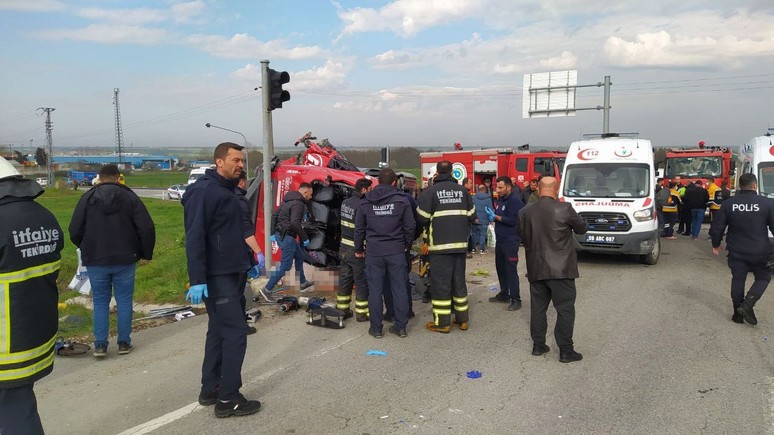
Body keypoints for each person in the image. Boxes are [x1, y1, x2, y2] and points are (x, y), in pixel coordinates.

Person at [183, 142, 261, 417]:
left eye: (242, 160)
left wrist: (249, 261)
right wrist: (197, 279)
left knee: (218, 331)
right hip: (218, 277)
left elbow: (232, 232)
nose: (241, 165)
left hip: (233, 272)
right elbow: (195, 237)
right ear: (219, 161)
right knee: (236, 333)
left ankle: (211, 389)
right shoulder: (204, 192)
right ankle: (228, 398)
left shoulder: (227, 191)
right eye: (236, 160)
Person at [0, 158, 63, 435]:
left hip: (5, 347)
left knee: (12, 416)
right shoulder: (43, 215)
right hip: (34, 338)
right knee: (21, 408)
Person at [69, 164, 155, 358]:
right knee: (124, 301)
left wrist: (85, 246)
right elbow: (146, 227)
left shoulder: (87, 198)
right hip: (125, 258)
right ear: (118, 177)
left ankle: (100, 345)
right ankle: (124, 343)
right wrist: (145, 253)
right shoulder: (130, 197)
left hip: (96, 259)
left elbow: (74, 228)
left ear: (99, 178)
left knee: (100, 302)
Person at [519, 177, 588, 363]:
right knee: (565, 310)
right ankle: (566, 351)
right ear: (556, 188)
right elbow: (582, 228)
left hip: (536, 267)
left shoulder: (525, 211)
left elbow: (522, 236)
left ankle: (538, 346)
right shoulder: (564, 209)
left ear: (539, 188)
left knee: (538, 309)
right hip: (562, 269)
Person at [355, 168, 415, 338]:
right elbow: (410, 227)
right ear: (395, 183)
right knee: (400, 289)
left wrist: (359, 249)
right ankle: (401, 327)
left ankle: (376, 329)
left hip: (374, 252)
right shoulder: (402, 200)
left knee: (375, 291)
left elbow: (359, 230)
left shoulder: (366, 201)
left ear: (377, 182)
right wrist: (406, 245)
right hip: (396, 250)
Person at [417, 161, 476, 333]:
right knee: (458, 282)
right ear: (451, 172)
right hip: (459, 246)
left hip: (439, 247)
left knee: (441, 284)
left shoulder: (431, 193)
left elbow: (421, 218)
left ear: (437, 174)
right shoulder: (463, 192)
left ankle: (442, 323)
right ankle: (462, 320)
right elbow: (472, 216)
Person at [709, 173, 774, 325]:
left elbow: (717, 227)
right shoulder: (767, 204)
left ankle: (737, 314)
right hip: (761, 250)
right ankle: (748, 304)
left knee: (738, 279)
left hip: (736, 250)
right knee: (764, 278)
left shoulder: (729, 204)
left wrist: (715, 244)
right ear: (755, 185)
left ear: (739, 185)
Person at [258, 184, 315, 302]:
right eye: (310, 194)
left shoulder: (288, 200)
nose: (311, 197)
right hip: (287, 237)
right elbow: (295, 223)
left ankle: (303, 283)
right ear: (305, 193)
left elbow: (274, 215)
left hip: (281, 234)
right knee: (286, 265)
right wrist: (304, 238)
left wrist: (272, 233)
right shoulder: (299, 204)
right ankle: (266, 290)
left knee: (300, 256)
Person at [486, 176, 525, 311]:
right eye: (497, 187)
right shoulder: (501, 200)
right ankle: (504, 293)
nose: (498, 190)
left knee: (511, 270)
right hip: (501, 240)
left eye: (501, 187)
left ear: (508, 187)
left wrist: (496, 217)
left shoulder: (515, 201)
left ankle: (516, 299)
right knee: (500, 268)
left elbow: (514, 221)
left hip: (511, 241)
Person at [336, 178, 372, 322]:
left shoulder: (346, 203)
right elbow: (360, 230)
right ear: (364, 189)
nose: (371, 192)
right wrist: (360, 249)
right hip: (355, 249)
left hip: (343, 247)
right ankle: (362, 313)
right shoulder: (363, 205)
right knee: (361, 281)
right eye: (370, 190)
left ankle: (342, 310)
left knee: (345, 279)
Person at [236, 171, 261, 335]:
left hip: (228, 253)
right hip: (239, 254)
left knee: (235, 292)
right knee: (238, 293)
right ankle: (240, 326)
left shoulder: (227, 197)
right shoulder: (239, 200)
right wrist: (258, 252)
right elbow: (246, 231)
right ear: (242, 182)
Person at [472, 184, 492, 253]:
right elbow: (490, 210)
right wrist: (491, 219)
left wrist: (473, 217)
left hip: (475, 219)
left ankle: (473, 249)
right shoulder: (488, 199)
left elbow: (472, 208)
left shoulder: (473, 198)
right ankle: (481, 249)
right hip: (484, 219)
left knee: (474, 234)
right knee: (482, 234)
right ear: (484, 190)